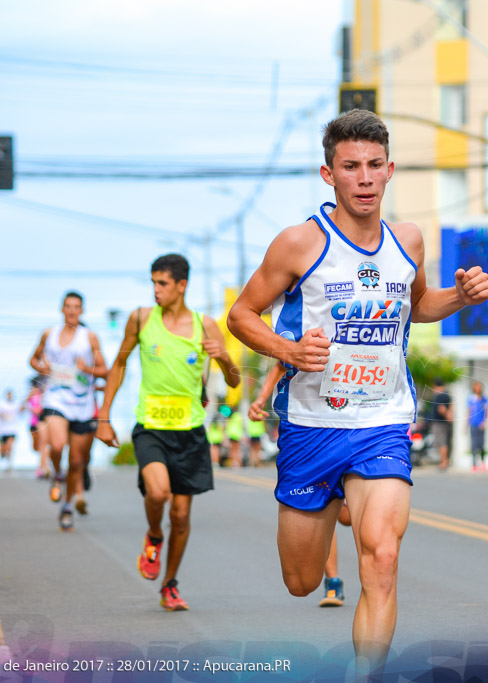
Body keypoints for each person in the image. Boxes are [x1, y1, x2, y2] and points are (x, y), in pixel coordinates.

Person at [227, 109, 488, 674]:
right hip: (312, 426)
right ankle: (342, 497)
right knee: (300, 581)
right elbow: (241, 314)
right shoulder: (298, 244)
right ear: (330, 175)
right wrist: (288, 350)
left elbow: (417, 306)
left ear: (390, 169)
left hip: (382, 422)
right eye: (351, 167)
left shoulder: (409, 241)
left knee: (383, 556)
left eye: (375, 166)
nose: (365, 178)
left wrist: (461, 297)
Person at [95, 254, 240, 611]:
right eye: (153, 283)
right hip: (151, 428)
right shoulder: (141, 319)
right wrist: (104, 417)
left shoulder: (205, 326)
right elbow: (118, 364)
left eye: (162, 283)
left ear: (181, 285)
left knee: (181, 515)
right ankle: (153, 536)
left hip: (189, 432)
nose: (156, 290)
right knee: (158, 494)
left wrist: (223, 357)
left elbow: (234, 382)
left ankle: (169, 584)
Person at [249, 365, 351, 607]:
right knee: (324, 510)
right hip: (312, 433)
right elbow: (282, 360)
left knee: (346, 517)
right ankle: (333, 581)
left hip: (356, 427)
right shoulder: (307, 330)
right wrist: (262, 398)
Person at [29, 291, 107, 530]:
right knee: (58, 444)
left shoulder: (90, 337)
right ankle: (57, 473)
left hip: (82, 404)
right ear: (62, 309)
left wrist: (87, 369)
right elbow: (33, 359)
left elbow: (105, 369)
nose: (72, 311)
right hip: (56, 399)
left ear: (82, 311)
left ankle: (67, 506)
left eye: (76, 307)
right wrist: (43, 368)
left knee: (77, 462)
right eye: (68, 306)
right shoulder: (48, 334)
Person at [0, 389, 23, 471]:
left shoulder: (16, 404)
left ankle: (9, 463)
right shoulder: (1, 404)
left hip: (12, 429)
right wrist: (0, 415)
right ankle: (2, 454)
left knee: (10, 446)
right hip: (2, 430)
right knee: (3, 448)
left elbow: (22, 409)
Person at [427, 378, 453, 470]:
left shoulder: (439, 396)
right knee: (444, 441)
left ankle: (444, 462)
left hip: (439, 422)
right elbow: (451, 406)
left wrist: (447, 416)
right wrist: (450, 416)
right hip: (444, 423)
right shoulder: (447, 394)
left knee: (441, 442)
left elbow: (441, 408)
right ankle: (445, 461)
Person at [24, 378, 48, 479]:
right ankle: (43, 465)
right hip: (32, 423)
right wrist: (29, 405)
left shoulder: (44, 394)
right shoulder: (31, 395)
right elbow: (22, 407)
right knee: (35, 447)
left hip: (42, 422)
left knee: (43, 445)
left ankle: (43, 467)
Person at [467, 380, 488, 472]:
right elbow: (469, 411)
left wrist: (484, 422)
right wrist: (467, 424)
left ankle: (483, 462)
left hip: (481, 424)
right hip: (473, 424)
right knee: (473, 445)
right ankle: (474, 464)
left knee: (481, 444)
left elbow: (487, 411)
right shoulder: (471, 399)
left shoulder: (485, 399)